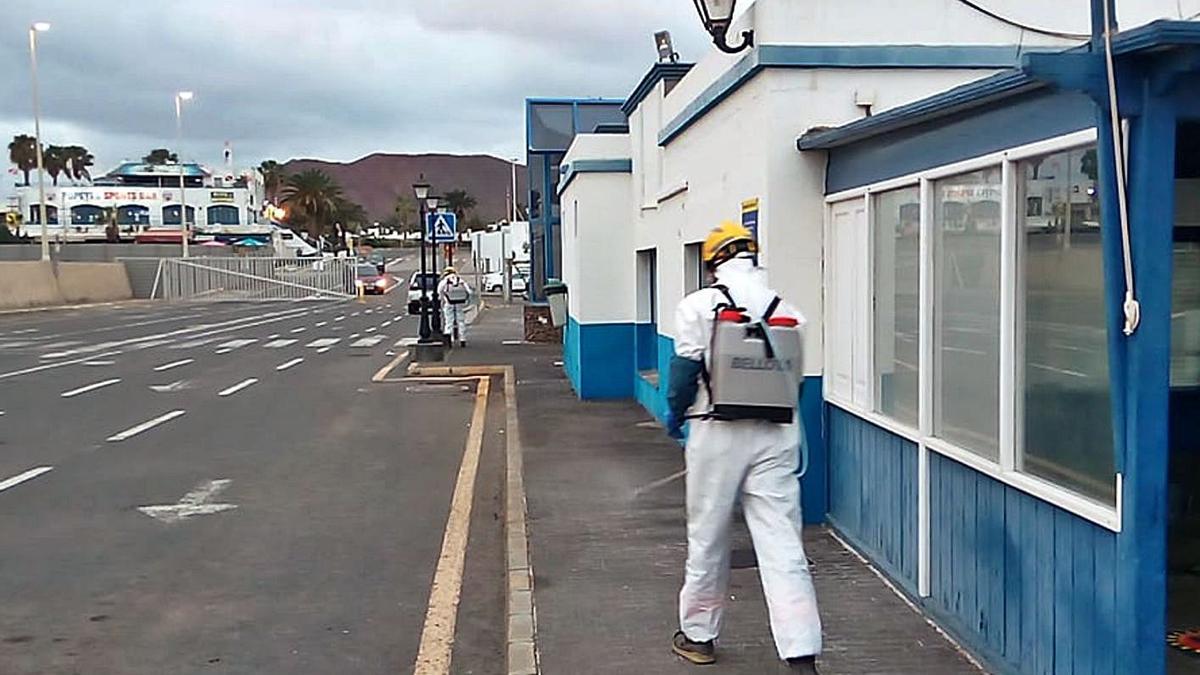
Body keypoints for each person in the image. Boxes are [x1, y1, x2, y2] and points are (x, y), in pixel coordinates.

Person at [665, 221, 822, 673]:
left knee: (708, 536)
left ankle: (698, 636)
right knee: (782, 541)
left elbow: (682, 374)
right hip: (776, 434)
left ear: (713, 262)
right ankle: (801, 652)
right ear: (751, 256)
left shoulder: (698, 306)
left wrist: (675, 417)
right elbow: (796, 383)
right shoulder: (788, 311)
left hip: (716, 433)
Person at [437, 265, 472, 347]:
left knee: (449, 322)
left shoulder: (445, 281)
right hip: (460, 302)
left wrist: (442, 299)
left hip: (449, 303)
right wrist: (465, 299)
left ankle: (449, 339)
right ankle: (462, 339)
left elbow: (439, 292)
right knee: (461, 321)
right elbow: (469, 292)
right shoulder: (460, 280)